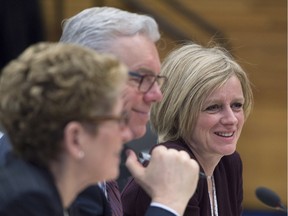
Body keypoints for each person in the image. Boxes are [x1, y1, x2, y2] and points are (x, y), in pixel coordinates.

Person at [0, 42, 200, 216]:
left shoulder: (57, 188)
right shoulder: (26, 201)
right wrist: (168, 202)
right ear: (75, 138)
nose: (126, 133)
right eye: (117, 120)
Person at [121, 42, 254, 216]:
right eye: (213, 107)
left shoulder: (229, 163)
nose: (231, 119)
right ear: (178, 112)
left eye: (237, 105)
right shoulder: (172, 169)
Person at [59, 6, 168, 216]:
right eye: (142, 78)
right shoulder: (58, 166)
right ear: (87, 77)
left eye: (156, 80)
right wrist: (167, 202)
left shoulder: (115, 153)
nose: (156, 95)